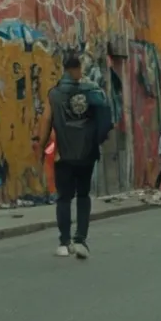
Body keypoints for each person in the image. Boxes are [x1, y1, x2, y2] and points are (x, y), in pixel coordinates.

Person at [33, 53, 111, 260]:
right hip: (87, 154)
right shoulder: (93, 91)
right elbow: (105, 119)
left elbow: (46, 122)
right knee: (83, 196)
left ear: (64, 69)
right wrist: (97, 141)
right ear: (77, 69)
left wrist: (41, 148)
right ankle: (81, 239)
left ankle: (64, 242)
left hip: (63, 155)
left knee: (64, 198)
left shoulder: (54, 94)